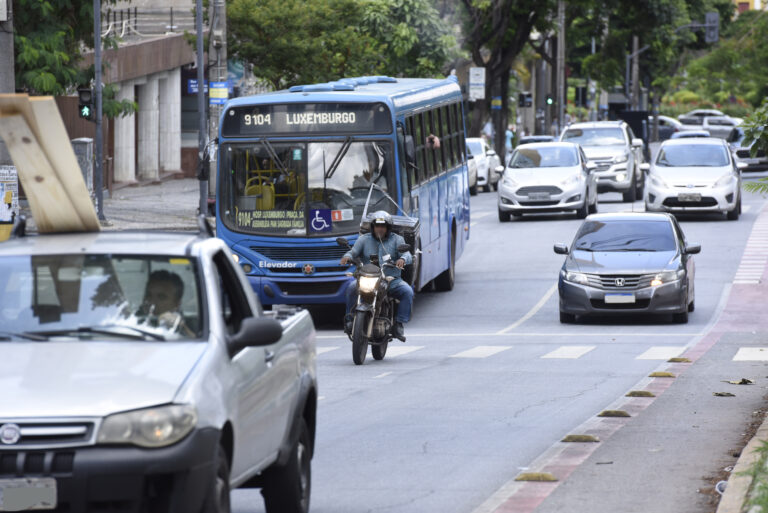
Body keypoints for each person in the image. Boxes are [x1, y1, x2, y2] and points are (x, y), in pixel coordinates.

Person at [340, 211, 413, 341]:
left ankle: (399, 324)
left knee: (407, 292)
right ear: (372, 227)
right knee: (351, 288)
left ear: (388, 228)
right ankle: (350, 320)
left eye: (383, 226)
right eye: (377, 226)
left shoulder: (397, 239)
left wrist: (402, 259)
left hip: (390, 280)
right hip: (367, 279)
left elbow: (407, 254)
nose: (380, 229)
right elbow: (353, 251)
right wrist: (347, 256)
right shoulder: (364, 239)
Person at [140, 270, 194, 336]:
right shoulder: (135, 318)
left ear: (177, 303)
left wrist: (181, 327)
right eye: (149, 295)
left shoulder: (183, 326)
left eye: (161, 297)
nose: (152, 302)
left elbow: (195, 342)